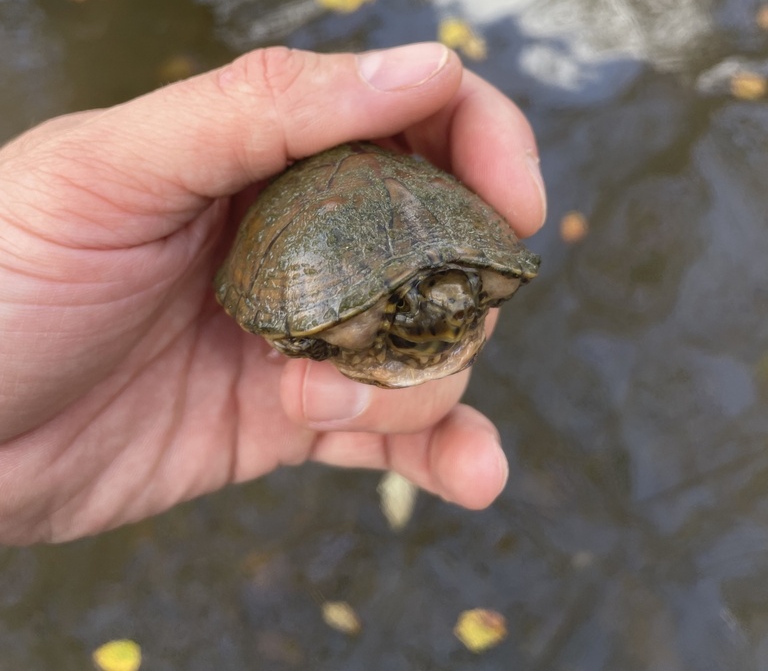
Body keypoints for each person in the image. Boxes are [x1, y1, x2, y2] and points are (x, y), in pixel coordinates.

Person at [0, 43, 546, 546]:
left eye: (467, 297)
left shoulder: (468, 280)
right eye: (439, 306)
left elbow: (501, 269)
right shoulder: (356, 321)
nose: (452, 313)